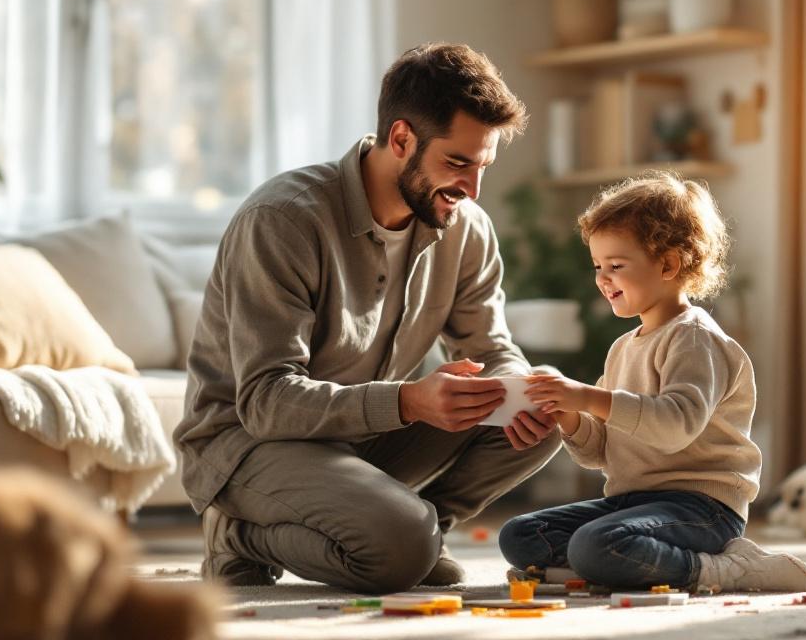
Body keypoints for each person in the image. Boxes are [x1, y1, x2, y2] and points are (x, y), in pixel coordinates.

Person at [175, 43, 561, 594]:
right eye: (457, 163)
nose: (473, 189)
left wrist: (524, 391)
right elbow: (265, 402)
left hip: (364, 438)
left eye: (483, 166)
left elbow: (492, 347)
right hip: (251, 444)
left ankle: (423, 530)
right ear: (401, 139)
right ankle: (236, 534)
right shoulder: (284, 220)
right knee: (394, 553)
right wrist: (408, 401)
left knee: (544, 417)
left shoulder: (466, 226)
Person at [499, 172, 806, 594]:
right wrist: (569, 416)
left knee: (597, 543)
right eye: (598, 266)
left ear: (668, 264)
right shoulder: (622, 349)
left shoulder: (695, 339)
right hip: (633, 503)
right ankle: (609, 566)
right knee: (520, 535)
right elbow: (600, 451)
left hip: (703, 508)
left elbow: (674, 426)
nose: (602, 279)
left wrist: (588, 396)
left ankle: (726, 569)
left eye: (616, 266)